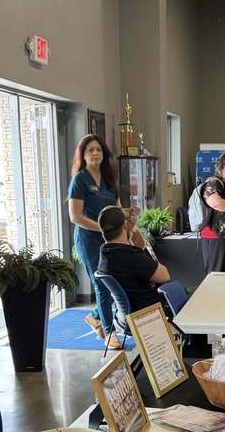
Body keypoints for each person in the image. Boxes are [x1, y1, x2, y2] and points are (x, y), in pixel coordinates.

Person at [68, 134, 121, 346]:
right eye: (90, 150)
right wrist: (102, 228)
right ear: (83, 154)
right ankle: (109, 333)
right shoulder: (79, 179)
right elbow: (75, 216)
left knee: (112, 283)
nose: (95, 153)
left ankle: (96, 317)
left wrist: (125, 216)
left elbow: (116, 208)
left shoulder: (108, 179)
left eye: (98, 149)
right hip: (88, 240)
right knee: (101, 283)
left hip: (108, 239)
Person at [97, 205, 170, 316]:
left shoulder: (104, 254)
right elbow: (165, 276)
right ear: (125, 226)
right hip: (149, 314)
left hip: (127, 315)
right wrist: (142, 250)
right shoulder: (130, 255)